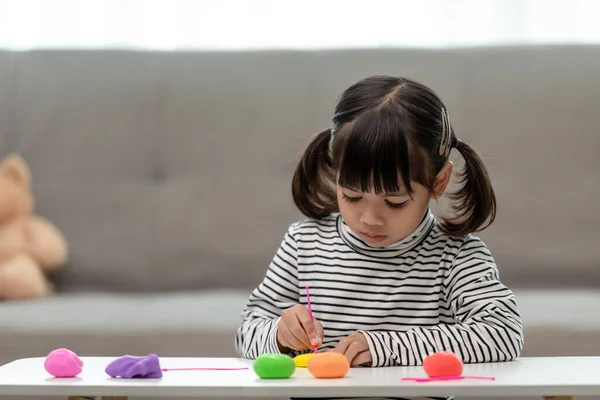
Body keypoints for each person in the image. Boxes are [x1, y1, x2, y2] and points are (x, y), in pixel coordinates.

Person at [234, 75, 523, 399]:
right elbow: (247, 332)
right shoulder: (304, 244)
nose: (370, 219)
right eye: (352, 197)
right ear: (336, 174)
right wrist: (281, 335)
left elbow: (503, 333)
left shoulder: (455, 254)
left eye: (395, 202)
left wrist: (385, 346)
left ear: (438, 182)